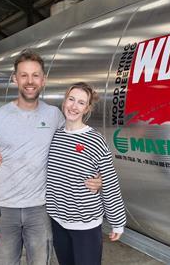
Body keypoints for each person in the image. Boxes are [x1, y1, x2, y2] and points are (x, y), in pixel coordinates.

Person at [0, 50, 102, 265]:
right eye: (23, 75)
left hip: (41, 208)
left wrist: (95, 175)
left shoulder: (54, 115)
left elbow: (74, 145)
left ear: (43, 80)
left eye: (35, 75)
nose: (30, 81)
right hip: (3, 209)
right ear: (15, 79)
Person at [46, 82, 126, 265]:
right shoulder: (55, 136)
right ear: (64, 101)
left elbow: (110, 181)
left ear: (87, 108)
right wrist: (2, 157)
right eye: (71, 99)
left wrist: (117, 221)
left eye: (81, 103)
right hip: (58, 220)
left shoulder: (95, 140)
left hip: (86, 224)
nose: (74, 106)